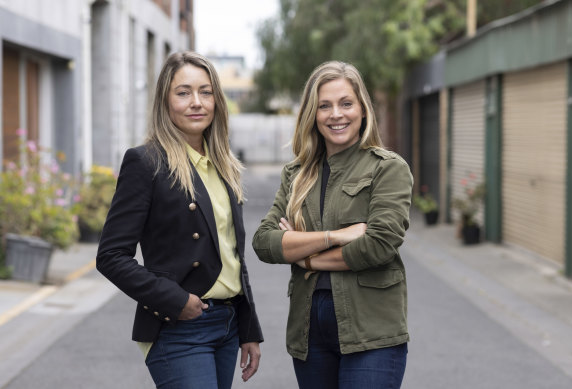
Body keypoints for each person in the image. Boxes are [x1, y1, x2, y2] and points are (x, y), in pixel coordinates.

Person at [97, 51, 262, 389]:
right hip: (178, 326)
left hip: (227, 325)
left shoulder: (223, 165)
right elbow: (110, 256)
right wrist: (176, 301)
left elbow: (231, 254)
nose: (196, 102)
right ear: (165, 101)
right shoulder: (145, 162)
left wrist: (248, 328)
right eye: (183, 92)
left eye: (205, 92)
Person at [252, 61, 412, 389]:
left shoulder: (387, 169)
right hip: (309, 331)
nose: (335, 114)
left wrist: (302, 254)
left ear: (363, 110)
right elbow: (265, 243)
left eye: (346, 103)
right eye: (324, 106)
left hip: (371, 332)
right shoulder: (296, 175)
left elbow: (378, 245)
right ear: (313, 114)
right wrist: (335, 236)